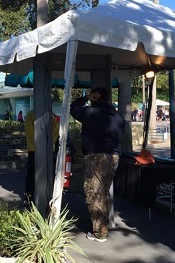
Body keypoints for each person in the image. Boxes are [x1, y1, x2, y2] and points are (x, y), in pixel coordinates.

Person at [70, 87, 125, 243]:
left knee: (93, 193)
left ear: (96, 97)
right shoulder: (119, 117)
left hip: (95, 156)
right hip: (113, 156)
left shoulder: (91, 113)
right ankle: (102, 227)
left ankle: (100, 232)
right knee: (103, 192)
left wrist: (86, 97)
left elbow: (74, 109)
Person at [24, 109, 59, 204]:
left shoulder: (32, 114)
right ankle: (29, 197)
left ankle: (31, 198)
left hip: (36, 148)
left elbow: (30, 132)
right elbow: (55, 133)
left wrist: (40, 142)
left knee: (44, 173)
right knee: (33, 174)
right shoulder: (32, 114)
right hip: (40, 149)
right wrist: (48, 142)